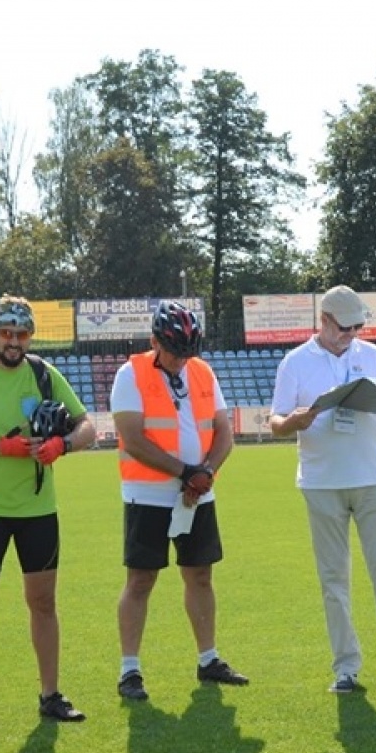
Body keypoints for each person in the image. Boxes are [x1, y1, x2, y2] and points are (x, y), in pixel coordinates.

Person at [0, 296, 97, 735]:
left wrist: (61, 446)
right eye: (6, 333)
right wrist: (1, 448)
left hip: (38, 511)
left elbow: (87, 426)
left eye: (22, 334)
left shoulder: (45, 376)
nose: (14, 342)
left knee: (43, 604)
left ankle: (50, 696)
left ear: (31, 335)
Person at [269, 285, 376, 695]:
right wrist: (294, 422)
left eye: (357, 327)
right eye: (344, 328)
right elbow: (274, 421)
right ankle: (346, 670)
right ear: (323, 321)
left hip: (374, 477)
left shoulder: (375, 357)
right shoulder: (295, 362)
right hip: (321, 482)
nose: (351, 335)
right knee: (333, 579)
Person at [110, 300, 248, 700]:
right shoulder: (129, 374)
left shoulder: (202, 371)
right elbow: (133, 440)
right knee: (140, 579)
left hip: (197, 493)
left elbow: (224, 433)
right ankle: (129, 670)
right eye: (174, 350)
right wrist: (186, 473)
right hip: (148, 493)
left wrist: (204, 473)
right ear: (154, 341)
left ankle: (209, 659)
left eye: (188, 350)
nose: (181, 359)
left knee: (200, 574)